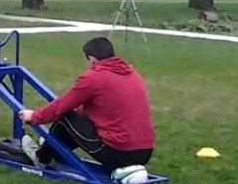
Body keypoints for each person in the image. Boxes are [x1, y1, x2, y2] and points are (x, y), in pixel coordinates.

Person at [18, 37, 154, 169]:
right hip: (144, 153)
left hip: (118, 153)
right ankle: (54, 148)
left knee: (66, 117)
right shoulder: (132, 74)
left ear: (92, 59)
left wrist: (34, 116)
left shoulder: (93, 78)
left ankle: (41, 157)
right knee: (77, 118)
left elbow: (62, 106)